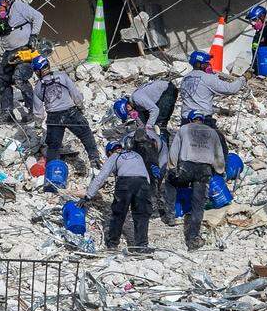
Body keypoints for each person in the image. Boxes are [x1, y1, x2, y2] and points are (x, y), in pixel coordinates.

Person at [167, 109, 228, 251]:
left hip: (186, 167)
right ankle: (193, 238)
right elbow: (218, 154)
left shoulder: (184, 129)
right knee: (198, 205)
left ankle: (170, 215)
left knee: (170, 182)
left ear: (190, 120)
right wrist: (220, 170)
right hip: (204, 170)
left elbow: (174, 151)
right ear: (202, 120)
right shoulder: (212, 132)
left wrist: (171, 167)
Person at [31, 56, 102, 169]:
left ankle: (52, 171)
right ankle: (94, 160)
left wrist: (38, 125)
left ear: (37, 71)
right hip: (71, 113)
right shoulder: (62, 76)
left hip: (53, 119)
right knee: (86, 135)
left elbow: (38, 111)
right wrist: (80, 106)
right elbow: (76, 94)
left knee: (53, 147)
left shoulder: (38, 87)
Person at [83, 140, 154, 252]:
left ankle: (112, 244)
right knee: (141, 215)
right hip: (143, 183)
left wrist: (88, 196)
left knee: (118, 214)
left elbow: (101, 177)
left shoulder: (115, 156)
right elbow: (147, 177)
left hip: (125, 183)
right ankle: (142, 246)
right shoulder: (136, 155)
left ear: (110, 152)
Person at [0, 0, 44, 120]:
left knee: (19, 79)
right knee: (1, 81)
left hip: (24, 50)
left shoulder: (18, 7)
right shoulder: (0, 18)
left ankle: (33, 111)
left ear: (4, 3)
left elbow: (38, 17)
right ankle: (7, 112)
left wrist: (34, 35)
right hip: (9, 53)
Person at [178, 51, 244, 124]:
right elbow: (231, 89)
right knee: (217, 135)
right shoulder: (207, 78)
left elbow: (198, 102)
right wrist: (244, 78)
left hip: (186, 120)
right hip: (202, 120)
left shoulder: (185, 78)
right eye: (206, 63)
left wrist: (219, 110)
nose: (209, 65)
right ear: (198, 64)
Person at [113, 77, 178, 136]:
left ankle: (163, 144)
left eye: (129, 114)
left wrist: (149, 127)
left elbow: (155, 110)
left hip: (167, 90)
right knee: (149, 119)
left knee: (159, 123)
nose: (130, 116)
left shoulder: (137, 99)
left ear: (128, 107)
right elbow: (141, 122)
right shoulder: (135, 106)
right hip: (158, 98)